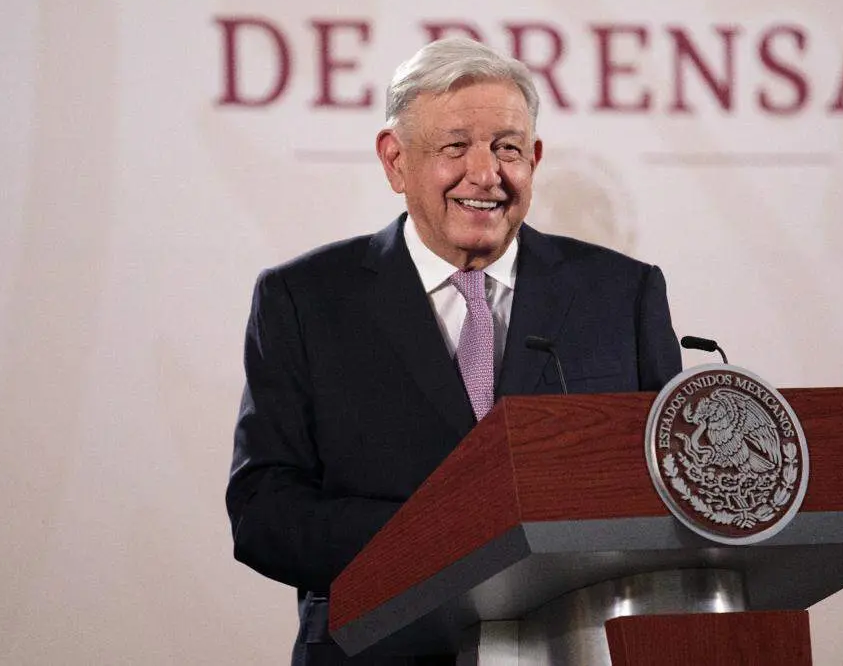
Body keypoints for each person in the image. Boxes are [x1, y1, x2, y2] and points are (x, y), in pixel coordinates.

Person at [226, 37, 682, 665]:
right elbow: (264, 515)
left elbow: (669, 488)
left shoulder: (621, 293)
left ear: (535, 159)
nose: (486, 174)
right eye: (454, 147)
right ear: (395, 161)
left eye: (508, 149)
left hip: (575, 647)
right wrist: (451, 533)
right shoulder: (305, 300)